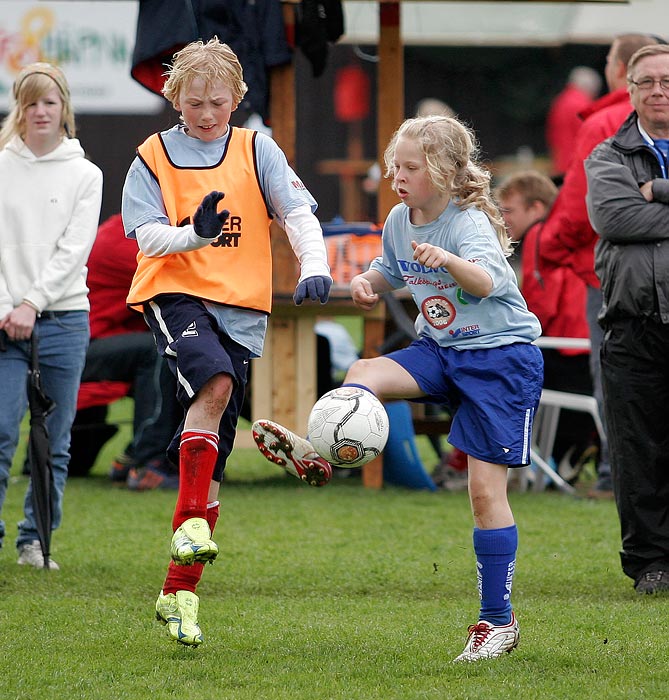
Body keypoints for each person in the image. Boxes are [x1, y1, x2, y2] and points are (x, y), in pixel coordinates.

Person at [253, 115, 543, 662]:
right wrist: (367, 281)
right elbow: (391, 267)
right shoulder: (397, 218)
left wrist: (451, 260)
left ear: (446, 172)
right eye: (396, 166)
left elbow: (488, 281)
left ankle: (497, 623)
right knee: (363, 373)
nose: (399, 177)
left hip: (499, 359)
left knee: (485, 494)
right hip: (441, 350)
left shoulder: (469, 223)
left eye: (412, 167)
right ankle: (319, 455)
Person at [121, 38, 332, 646]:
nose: (207, 114)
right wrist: (193, 235)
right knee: (213, 382)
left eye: (217, 102)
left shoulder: (257, 148)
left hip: (241, 309)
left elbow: (297, 212)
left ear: (238, 99)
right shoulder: (152, 156)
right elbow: (147, 238)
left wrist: (313, 263)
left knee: (212, 464)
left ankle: (177, 593)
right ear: (174, 100)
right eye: (195, 103)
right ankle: (186, 534)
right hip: (175, 293)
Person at [539, 33, 663, 500]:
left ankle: (615, 475)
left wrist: (546, 249)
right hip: (643, 272)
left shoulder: (600, 123)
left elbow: (577, 207)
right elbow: (613, 211)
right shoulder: (615, 125)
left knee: (617, 382)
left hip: (611, 275)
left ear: (619, 70)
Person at [0, 62, 103, 569]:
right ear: (19, 110)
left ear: (64, 108)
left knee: (52, 441)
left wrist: (31, 304)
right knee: (1, 433)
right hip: (3, 325)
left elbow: (72, 251)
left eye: (49, 102)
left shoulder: (86, 174)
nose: (40, 112)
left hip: (63, 322)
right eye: (31, 103)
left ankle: (33, 540)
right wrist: (8, 308)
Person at [585, 43, 669, 596]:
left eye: (668, 80)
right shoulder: (607, 156)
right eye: (648, 82)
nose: (659, 90)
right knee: (639, 451)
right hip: (633, 321)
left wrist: (660, 191)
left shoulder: (641, 170)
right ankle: (651, 565)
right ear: (630, 90)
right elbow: (615, 217)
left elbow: (641, 212)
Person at [494, 171, 595, 482]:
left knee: (496, 367)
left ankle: (499, 458)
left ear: (536, 209)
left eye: (508, 211)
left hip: (566, 343)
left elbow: (542, 299)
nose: (503, 219)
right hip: (589, 339)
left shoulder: (540, 234)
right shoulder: (566, 233)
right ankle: (576, 451)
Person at [69, 213, 182, 490]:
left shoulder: (139, 228)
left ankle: (137, 455)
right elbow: (181, 281)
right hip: (81, 348)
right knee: (161, 349)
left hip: (104, 342)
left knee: (191, 348)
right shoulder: (125, 235)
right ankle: (146, 462)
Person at [545, 66, 602, 180]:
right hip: (576, 166)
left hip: (560, 163)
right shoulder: (582, 105)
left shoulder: (561, 100)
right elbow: (591, 138)